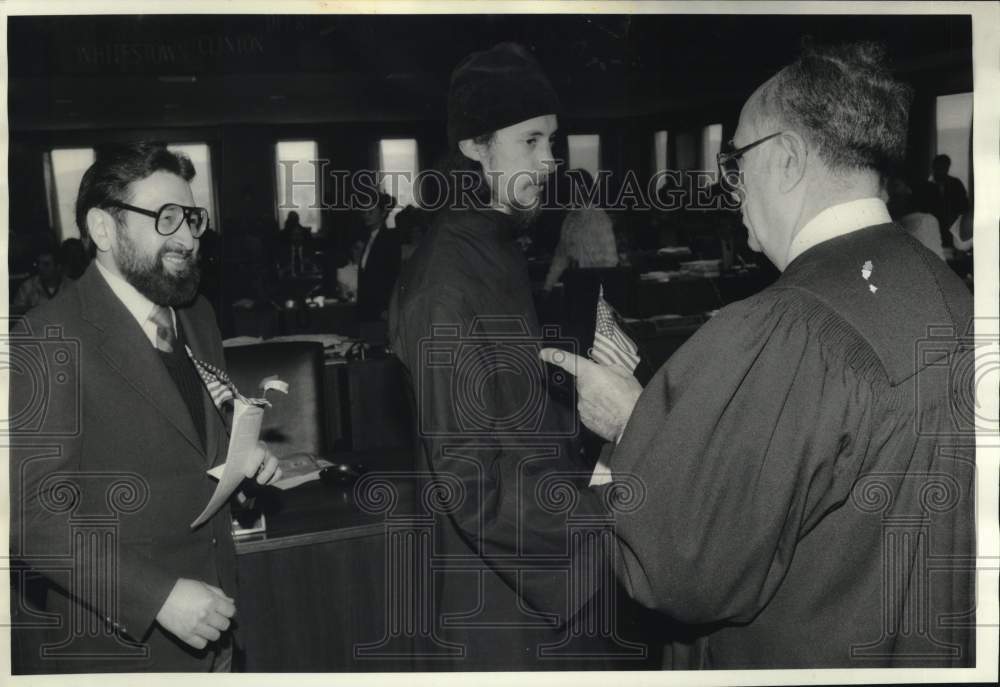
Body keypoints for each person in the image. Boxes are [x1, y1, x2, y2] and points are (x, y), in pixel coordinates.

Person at [542, 42, 974, 668]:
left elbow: (680, 570)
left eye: (736, 161)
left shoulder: (784, 328)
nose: (731, 186)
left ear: (790, 159)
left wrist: (631, 426)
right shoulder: (948, 291)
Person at [9, 142, 281, 673]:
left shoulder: (197, 316)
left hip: (218, 628)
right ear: (104, 230)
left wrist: (240, 464)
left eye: (192, 218)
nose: (187, 237)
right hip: (125, 650)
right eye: (166, 218)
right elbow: (30, 519)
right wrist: (156, 596)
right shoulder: (46, 338)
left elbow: (190, 444)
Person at [388, 43, 618, 669]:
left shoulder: (492, 244)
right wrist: (595, 526)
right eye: (532, 142)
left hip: (534, 568)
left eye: (552, 142)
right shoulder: (447, 279)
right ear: (474, 147)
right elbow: (468, 477)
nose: (550, 160)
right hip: (507, 596)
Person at [542, 168, 618, 292]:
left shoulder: (599, 218)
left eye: (572, 187)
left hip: (596, 288)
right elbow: (560, 258)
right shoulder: (569, 220)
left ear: (583, 189)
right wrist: (547, 287)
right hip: (573, 286)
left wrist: (601, 291)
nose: (568, 191)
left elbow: (611, 261)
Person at [356, 191, 400, 323]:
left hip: (381, 310)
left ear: (383, 213)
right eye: (364, 212)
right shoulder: (368, 238)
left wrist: (386, 308)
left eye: (370, 212)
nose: (366, 216)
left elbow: (393, 277)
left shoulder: (390, 240)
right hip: (367, 308)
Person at [882, 177, 945, 259]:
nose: (889, 192)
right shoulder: (924, 220)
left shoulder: (923, 221)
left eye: (895, 186)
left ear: (909, 190)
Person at [919, 154, 969, 250]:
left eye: (945, 167)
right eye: (939, 167)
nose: (942, 170)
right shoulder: (925, 187)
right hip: (933, 228)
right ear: (933, 168)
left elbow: (964, 206)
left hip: (952, 228)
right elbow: (923, 209)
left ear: (948, 167)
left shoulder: (956, 183)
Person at [11, 245, 63, 314]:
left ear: (58, 267)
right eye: (38, 263)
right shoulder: (27, 287)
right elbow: (16, 314)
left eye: (46, 264)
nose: (40, 268)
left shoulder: (70, 286)